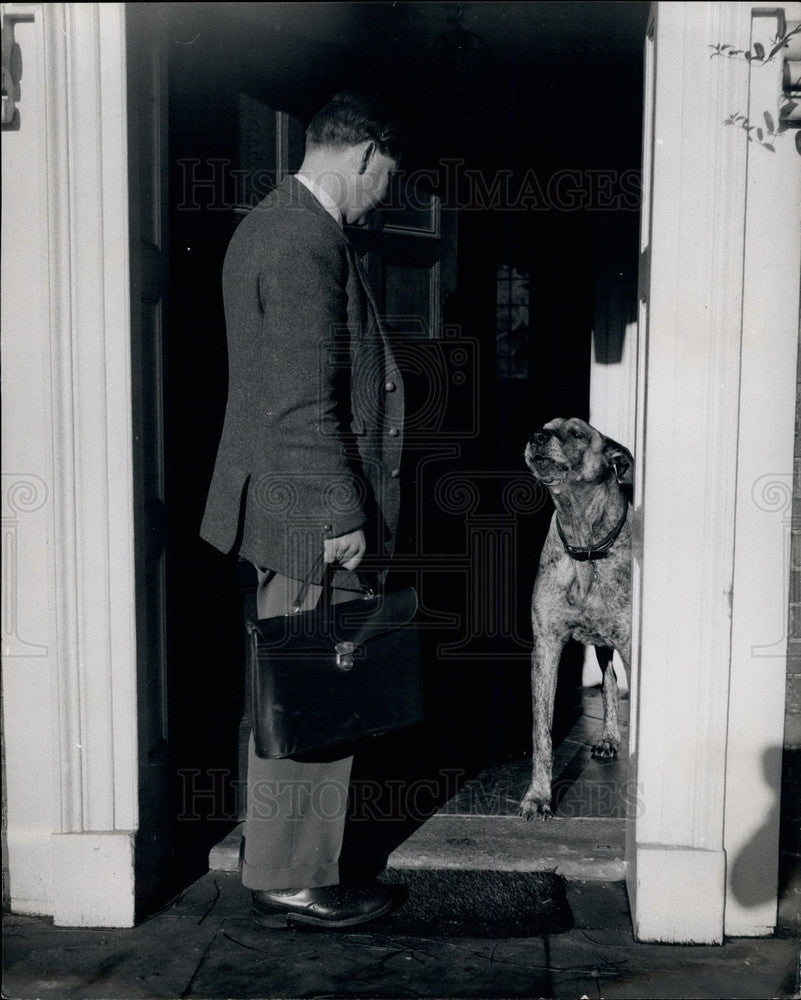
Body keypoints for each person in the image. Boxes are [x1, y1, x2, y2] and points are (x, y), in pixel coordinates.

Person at [200, 92, 406, 929]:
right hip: (303, 509)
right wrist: (338, 515)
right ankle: (292, 877)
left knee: (295, 688)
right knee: (312, 692)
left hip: (288, 503)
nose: (387, 195)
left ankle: (286, 863)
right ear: (363, 155)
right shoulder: (299, 237)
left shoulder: (286, 224)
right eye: (389, 175)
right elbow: (298, 404)